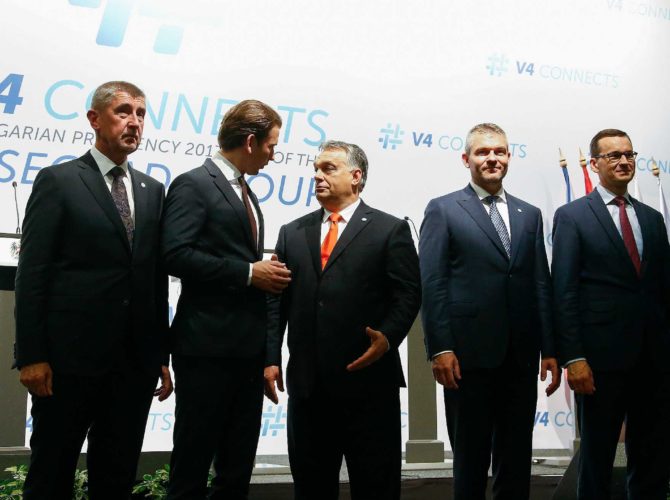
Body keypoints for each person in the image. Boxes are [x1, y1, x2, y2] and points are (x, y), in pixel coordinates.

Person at [14, 80, 173, 499]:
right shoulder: (59, 180)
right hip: (67, 364)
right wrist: (31, 355)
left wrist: (159, 355)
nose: (134, 122)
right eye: (123, 111)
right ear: (94, 119)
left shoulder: (153, 191)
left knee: (116, 479)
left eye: (141, 114)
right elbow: (33, 274)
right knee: (51, 475)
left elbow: (155, 279)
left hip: (133, 366)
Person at [264, 140, 421, 499]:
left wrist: (388, 337)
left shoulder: (389, 229)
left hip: (369, 384)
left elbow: (408, 294)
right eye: (315, 169)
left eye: (328, 168)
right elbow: (276, 302)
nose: (317, 176)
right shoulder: (292, 232)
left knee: (376, 487)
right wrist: (271, 357)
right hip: (308, 388)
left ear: (356, 176)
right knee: (311, 488)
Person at [419, 123, 560, 500]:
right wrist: (440, 347)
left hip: (520, 357)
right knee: (471, 462)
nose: (492, 158)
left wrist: (550, 348)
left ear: (509, 157)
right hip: (466, 358)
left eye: (499, 151)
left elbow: (540, 283)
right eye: (483, 152)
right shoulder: (443, 209)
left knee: (516, 461)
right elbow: (432, 283)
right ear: (466, 159)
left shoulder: (530, 214)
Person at [162, 99, 291, 499]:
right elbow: (175, 254)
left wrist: (268, 354)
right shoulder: (193, 184)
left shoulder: (247, 192)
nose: (273, 155)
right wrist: (249, 272)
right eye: (271, 146)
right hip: (206, 350)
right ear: (250, 142)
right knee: (192, 464)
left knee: (236, 470)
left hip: (246, 354)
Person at [552, 129, 670, 499]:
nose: (623, 161)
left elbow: (663, 290)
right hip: (599, 362)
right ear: (595, 164)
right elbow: (564, 291)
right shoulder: (572, 216)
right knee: (597, 458)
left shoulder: (652, 218)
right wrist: (574, 357)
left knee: (652, 456)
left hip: (653, 360)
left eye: (629, 154)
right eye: (614, 156)